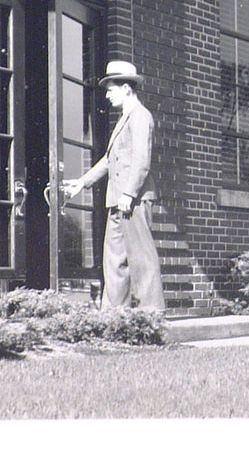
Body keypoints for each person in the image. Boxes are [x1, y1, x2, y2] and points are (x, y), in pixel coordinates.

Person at [60, 60, 166, 310]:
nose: (107, 95)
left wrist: (129, 193)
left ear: (127, 88)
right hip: (118, 199)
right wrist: (82, 183)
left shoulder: (140, 117)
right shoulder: (124, 120)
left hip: (133, 199)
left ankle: (151, 315)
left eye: (111, 88)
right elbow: (109, 160)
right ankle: (114, 315)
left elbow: (142, 159)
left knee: (140, 257)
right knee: (115, 258)